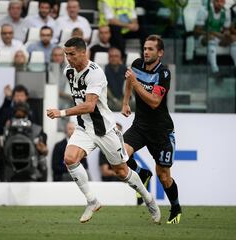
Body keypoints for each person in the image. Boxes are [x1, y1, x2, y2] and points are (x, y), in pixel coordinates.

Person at [46, 37, 160, 223]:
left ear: (84, 53)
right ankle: (92, 201)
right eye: (66, 54)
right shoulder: (68, 71)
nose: (68, 58)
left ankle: (148, 199)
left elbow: (90, 106)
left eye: (72, 54)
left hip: (105, 130)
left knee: (122, 172)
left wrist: (61, 113)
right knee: (69, 158)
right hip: (84, 128)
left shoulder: (95, 73)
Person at [121, 35, 182, 224]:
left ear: (160, 53)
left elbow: (155, 102)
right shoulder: (137, 64)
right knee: (119, 154)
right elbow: (129, 81)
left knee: (164, 176)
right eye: (145, 48)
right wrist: (125, 102)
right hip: (140, 126)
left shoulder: (163, 74)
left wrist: (136, 82)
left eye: (150, 49)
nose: (146, 52)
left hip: (161, 131)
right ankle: (142, 173)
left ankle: (176, 207)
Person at [194, 0, 236, 75]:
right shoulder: (204, 10)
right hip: (203, 38)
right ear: (213, 1)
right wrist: (211, 33)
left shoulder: (226, 12)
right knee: (211, 38)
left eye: (222, 1)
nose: (220, 3)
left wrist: (227, 34)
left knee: (233, 40)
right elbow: (196, 30)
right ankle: (214, 68)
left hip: (217, 37)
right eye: (218, 1)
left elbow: (225, 29)